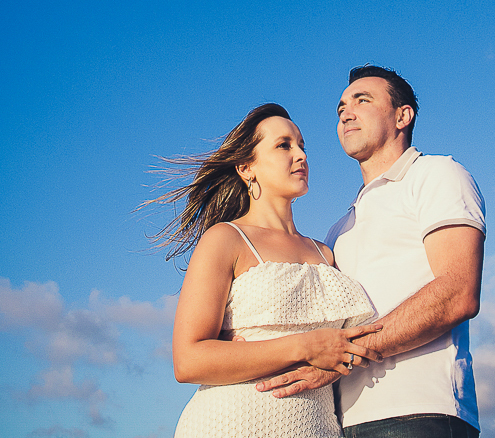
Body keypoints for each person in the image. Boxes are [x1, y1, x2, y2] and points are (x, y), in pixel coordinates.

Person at [258, 67, 486, 438]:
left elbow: (458, 293)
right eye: (341, 107)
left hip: (421, 412)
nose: (346, 112)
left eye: (362, 100)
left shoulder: (436, 174)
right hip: (340, 423)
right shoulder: (338, 230)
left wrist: (343, 357)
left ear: (402, 115)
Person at [150, 103, 383, 438]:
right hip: (232, 423)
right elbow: (188, 361)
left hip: (317, 426)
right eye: (283, 145)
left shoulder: (326, 253)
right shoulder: (225, 239)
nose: (300, 155)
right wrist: (304, 347)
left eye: (302, 145)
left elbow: (352, 346)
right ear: (247, 167)